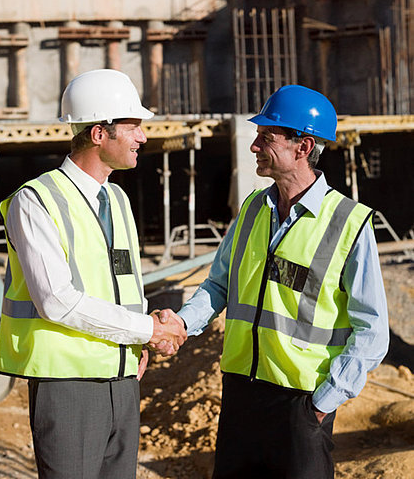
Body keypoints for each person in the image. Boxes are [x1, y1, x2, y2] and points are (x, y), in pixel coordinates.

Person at [157, 85, 389, 478]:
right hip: (240, 395)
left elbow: (373, 331)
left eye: (267, 137)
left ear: (303, 146)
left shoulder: (349, 222)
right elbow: (219, 285)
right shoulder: (252, 208)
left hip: (301, 405)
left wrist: (323, 403)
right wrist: (182, 323)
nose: (254, 147)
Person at [0, 68, 186, 479]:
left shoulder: (117, 198)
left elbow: (124, 284)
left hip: (121, 375)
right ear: (99, 134)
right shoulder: (35, 201)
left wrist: (139, 340)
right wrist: (146, 331)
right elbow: (56, 301)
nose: (142, 137)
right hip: (67, 383)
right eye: (133, 126)